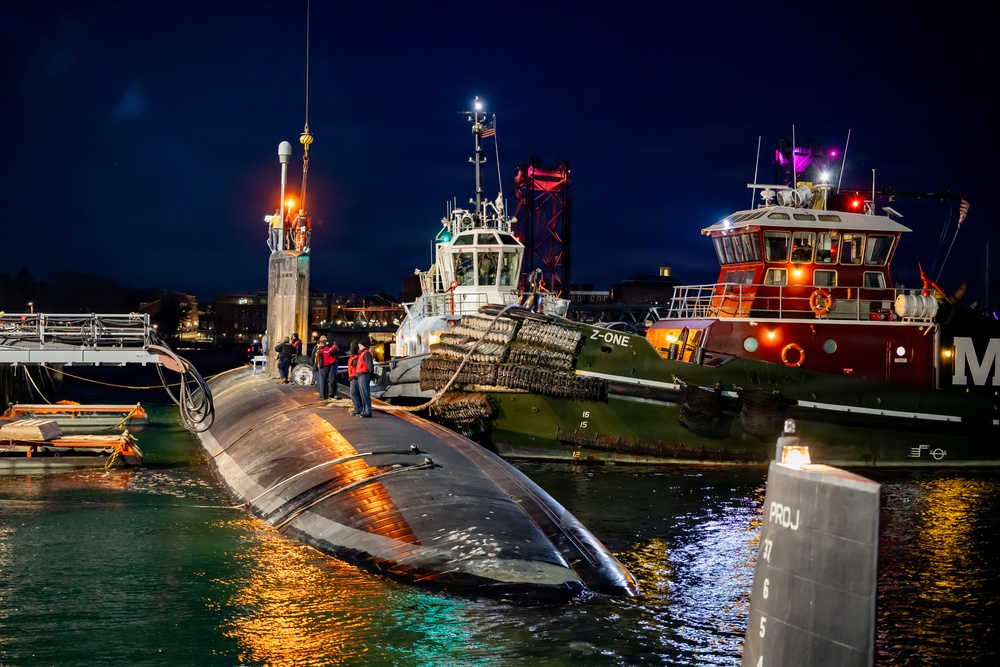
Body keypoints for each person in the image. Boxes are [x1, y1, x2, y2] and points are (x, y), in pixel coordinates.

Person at [313, 336, 340, 400]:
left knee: (322, 381)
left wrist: (316, 366)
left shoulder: (320, 350)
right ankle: (327, 394)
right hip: (328, 366)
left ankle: (322, 395)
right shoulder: (328, 349)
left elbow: (318, 359)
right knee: (327, 381)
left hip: (324, 366)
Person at [355, 341, 374, 418]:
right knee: (362, 393)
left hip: (364, 375)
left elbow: (370, 366)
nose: (359, 346)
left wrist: (370, 375)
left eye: (360, 345)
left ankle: (368, 411)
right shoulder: (363, 353)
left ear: (363, 346)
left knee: (365, 393)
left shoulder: (366, 353)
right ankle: (364, 410)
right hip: (361, 375)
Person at [347, 341, 362, 416]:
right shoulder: (354, 357)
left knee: (353, 393)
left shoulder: (355, 358)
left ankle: (357, 409)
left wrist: (354, 376)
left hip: (355, 377)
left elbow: (357, 368)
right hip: (354, 377)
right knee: (357, 393)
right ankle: (359, 408)